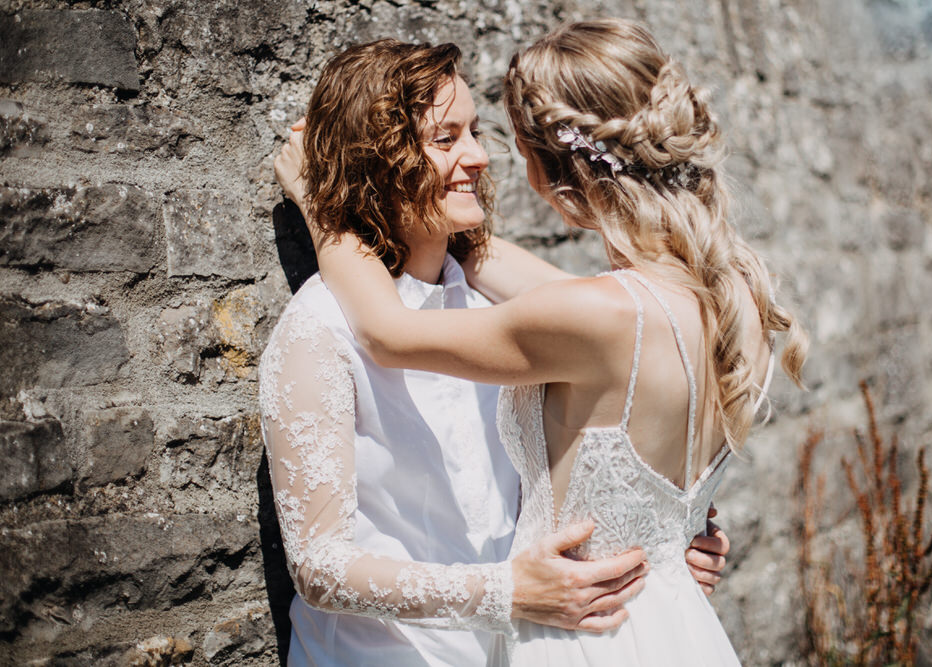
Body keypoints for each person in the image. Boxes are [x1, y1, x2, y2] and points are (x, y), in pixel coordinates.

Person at [293, 19, 808, 666]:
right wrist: (672, 540)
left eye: (490, 134)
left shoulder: (593, 314)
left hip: (586, 637)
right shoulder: (723, 304)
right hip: (671, 623)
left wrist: (327, 209)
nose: (483, 157)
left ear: (553, 170)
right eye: (448, 137)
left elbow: (389, 333)